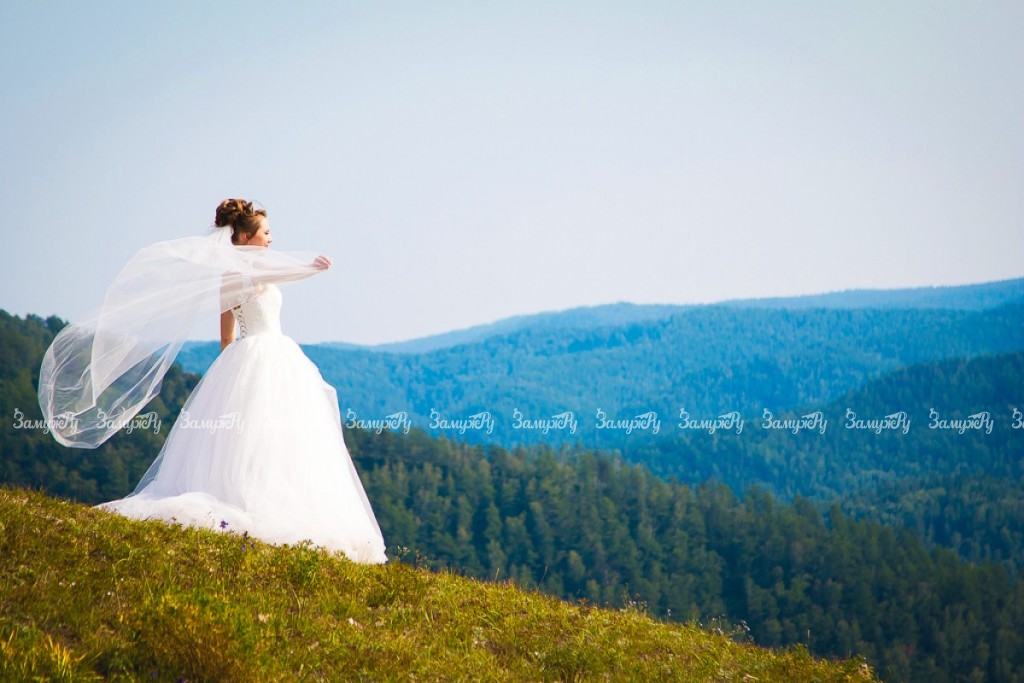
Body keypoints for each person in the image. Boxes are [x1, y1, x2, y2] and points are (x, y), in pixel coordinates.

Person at [40, 199, 387, 563]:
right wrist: (310, 267)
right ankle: (260, 501)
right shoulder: (244, 274)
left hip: (258, 355)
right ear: (246, 237)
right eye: (266, 233)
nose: (271, 239)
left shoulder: (234, 275)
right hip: (266, 354)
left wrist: (231, 370)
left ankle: (266, 494)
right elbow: (273, 284)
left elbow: (226, 337)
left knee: (270, 434)